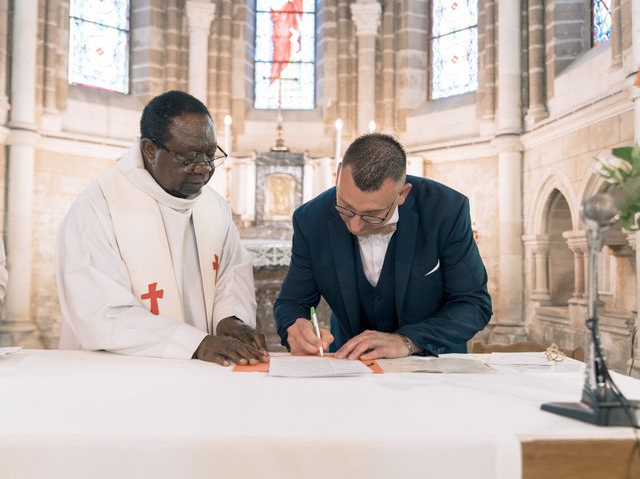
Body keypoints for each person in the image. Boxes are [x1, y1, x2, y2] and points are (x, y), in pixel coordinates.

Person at [57, 90, 268, 366]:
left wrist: (229, 319)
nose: (204, 168)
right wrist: (197, 343)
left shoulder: (214, 207)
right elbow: (102, 313)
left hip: (200, 375)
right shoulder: (98, 209)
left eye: (210, 154)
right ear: (150, 149)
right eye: (190, 157)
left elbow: (231, 275)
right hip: (120, 376)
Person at [274, 133, 492, 360]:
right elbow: (292, 302)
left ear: (402, 194)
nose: (355, 227)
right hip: (349, 365)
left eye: (372, 215)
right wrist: (295, 326)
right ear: (338, 174)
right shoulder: (310, 219)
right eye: (345, 208)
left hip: (433, 367)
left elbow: (473, 304)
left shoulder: (446, 210)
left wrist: (407, 341)